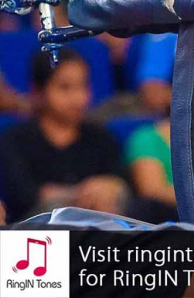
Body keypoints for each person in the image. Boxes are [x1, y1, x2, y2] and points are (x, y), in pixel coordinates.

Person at [0, 49, 128, 221]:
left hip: (96, 231)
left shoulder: (102, 137)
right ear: (38, 91)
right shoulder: (15, 140)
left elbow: (117, 183)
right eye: (65, 87)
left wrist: (110, 188)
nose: (79, 98)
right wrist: (82, 193)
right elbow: (26, 196)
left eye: (83, 86)